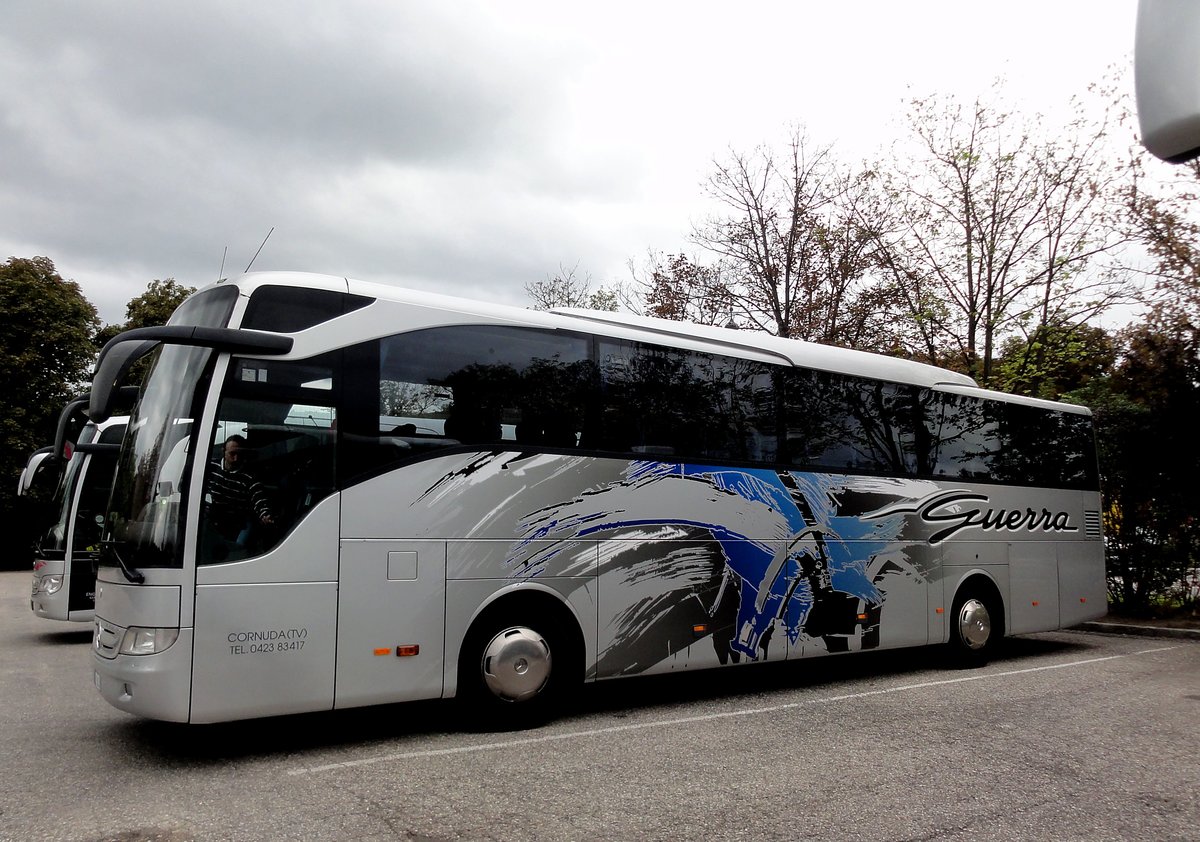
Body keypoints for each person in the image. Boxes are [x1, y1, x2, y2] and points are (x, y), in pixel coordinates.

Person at [205, 434, 274, 545]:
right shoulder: (211, 467)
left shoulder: (249, 477)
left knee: (239, 547)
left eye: (239, 454)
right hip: (215, 516)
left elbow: (259, 499)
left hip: (240, 520)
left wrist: (265, 515)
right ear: (224, 451)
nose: (236, 458)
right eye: (232, 454)